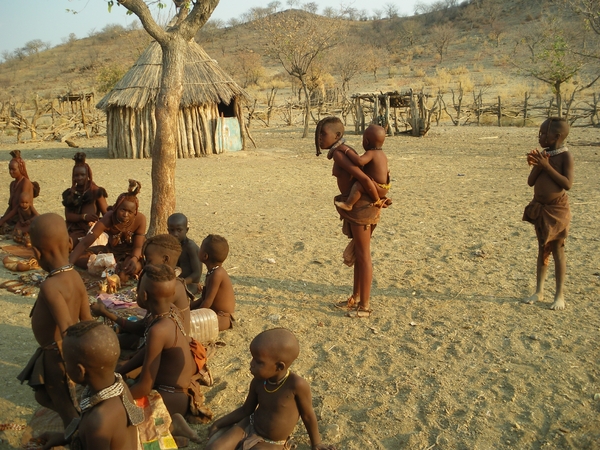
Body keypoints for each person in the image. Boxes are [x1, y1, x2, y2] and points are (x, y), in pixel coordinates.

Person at [17, 213, 93, 431]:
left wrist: (69, 364)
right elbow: (86, 320)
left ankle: (76, 435)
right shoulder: (76, 277)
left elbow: (67, 327)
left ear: (37, 253)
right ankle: (77, 420)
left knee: (66, 408)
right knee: (42, 395)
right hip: (61, 353)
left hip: (56, 356)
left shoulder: (50, 286)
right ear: (70, 243)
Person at [206, 328, 335, 450]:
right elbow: (246, 409)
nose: (251, 364)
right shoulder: (258, 382)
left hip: (271, 442)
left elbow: (308, 415)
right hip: (250, 425)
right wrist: (218, 423)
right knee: (214, 448)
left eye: (258, 361)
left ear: (279, 367)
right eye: (253, 358)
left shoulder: (296, 386)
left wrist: (316, 443)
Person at [126, 264, 211, 441]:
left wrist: (116, 397)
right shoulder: (171, 312)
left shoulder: (159, 330)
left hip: (167, 398)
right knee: (124, 380)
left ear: (144, 295)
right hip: (178, 394)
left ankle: (171, 427)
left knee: (121, 421)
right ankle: (175, 424)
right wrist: (120, 371)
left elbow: (144, 387)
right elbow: (150, 352)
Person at [316, 117, 390, 318]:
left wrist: (377, 199)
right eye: (320, 133)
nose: (319, 138)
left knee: (364, 255)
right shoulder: (341, 151)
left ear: (337, 136)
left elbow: (364, 178)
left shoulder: (341, 153)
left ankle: (364, 306)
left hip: (363, 207)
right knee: (359, 252)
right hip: (360, 205)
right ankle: (355, 298)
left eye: (324, 134)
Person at [38, 321, 143, 450]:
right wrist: (65, 437)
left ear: (80, 371)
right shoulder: (120, 387)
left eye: (66, 362)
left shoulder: (97, 423)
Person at [523, 117, 574, 310]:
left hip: (557, 210)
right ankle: (539, 291)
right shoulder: (544, 155)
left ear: (557, 136)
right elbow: (530, 182)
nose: (540, 136)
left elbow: (567, 184)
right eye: (539, 133)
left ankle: (559, 295)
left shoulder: (565, 157)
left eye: (544, 133)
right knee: (542, 249)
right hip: (540, 208)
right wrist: (537, 164)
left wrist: (547, 167)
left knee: (558, 250)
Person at [69, 179, 146, 283]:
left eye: (130, 212)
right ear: (116, 208)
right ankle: (112, 271)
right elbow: (85, 242)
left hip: (130, 254)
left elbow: (138, 246)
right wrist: (68, 265)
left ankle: (115, 272)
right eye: (123, 210)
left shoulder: (140, 220)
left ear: (135, 212)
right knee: (78, 259)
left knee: (127, 270)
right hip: (111, 251)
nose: (125, 215)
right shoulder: (109, 218)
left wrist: (134, 259)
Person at [334, 124, 390, 212]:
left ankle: (349, 204)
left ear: (366, 141)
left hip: (376, 187)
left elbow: (359, 161)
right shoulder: (382, 154)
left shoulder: (371, 153)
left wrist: (346, 150)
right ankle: (382, 198)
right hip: (384, 188)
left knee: (358, 185)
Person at [191, 234, 235, 331]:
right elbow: (204, 298)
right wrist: (187, 307)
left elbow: (208, 301)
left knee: (193, 325)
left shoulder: (217, 274)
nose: (199, 249)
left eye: (201, 247)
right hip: (212, 312)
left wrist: (194, 315)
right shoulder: (212, 271)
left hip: (223, 317)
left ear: (205, 256)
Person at [62, 152, 109, 243]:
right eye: (76, 175)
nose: (79, 178)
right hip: (73, 228)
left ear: (87, 175)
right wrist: (83, 217)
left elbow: (106, 214)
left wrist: (97, 224)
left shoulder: (96, 191)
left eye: (82, 175)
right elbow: (68, 216)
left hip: (91, 229)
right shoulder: (70, 193)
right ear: (73, 176)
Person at [0, 150, 39, 233]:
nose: (11, 172)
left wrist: (3, 220)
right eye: (9, 169)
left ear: (20, 169)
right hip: (14, 216)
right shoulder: (12, 184)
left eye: (13, 169)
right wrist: (4, 218)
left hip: (24, 218)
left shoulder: (25, 183)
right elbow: (11, 207)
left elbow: (19, 206)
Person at [167, 213, 202, 294]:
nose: (175, 234)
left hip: (190, 284)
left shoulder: (190, 247)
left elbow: (197, 274)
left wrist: (181, 282)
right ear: (168, 230)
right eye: (172, 230)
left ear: (186, 230)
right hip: (177, 282)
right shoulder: (171, 245)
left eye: (179, 230)